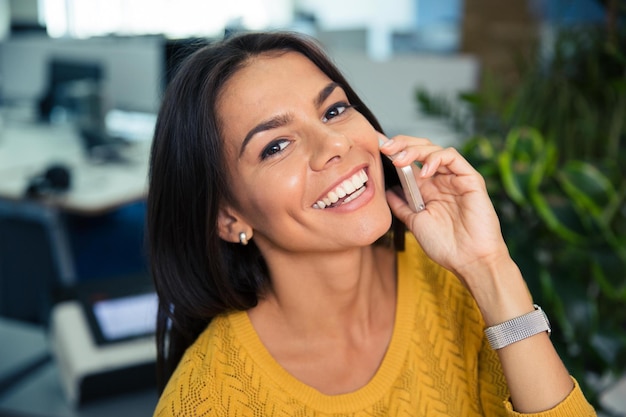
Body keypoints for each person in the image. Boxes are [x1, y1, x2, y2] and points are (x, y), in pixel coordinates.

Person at [147, 31, 596, 416]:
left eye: (333, 111)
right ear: (228, 217)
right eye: (276, 145)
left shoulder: (449, 277)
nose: (334, 145)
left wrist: (488, 267)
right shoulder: (206, 400)